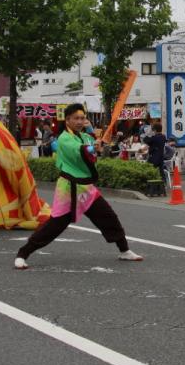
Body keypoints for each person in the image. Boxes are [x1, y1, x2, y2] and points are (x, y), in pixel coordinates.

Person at [14, 103, 144, 269]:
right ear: (67, 120)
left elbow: (92, 146)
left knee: (108, 217)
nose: (80, 121)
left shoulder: (84, 136)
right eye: (76, 118)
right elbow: (79, 150)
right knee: (55, 225)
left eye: (82, 118)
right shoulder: (64, 138)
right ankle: (23, 253)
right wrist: (91, 147)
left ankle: (124, 250)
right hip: (68, 188)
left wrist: (95, 141)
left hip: (86, 189)